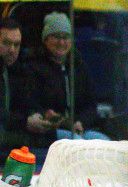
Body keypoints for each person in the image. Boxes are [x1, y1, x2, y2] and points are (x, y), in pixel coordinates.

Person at [17, 13, 109, 147]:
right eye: (56, 37)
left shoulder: (78, 66)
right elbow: (29, 104)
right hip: (51, 132)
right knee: (78, 145)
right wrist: (48, 116)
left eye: (66, 37)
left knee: (106, 144)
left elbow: (90, 105)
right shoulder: (33, 67)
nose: (61, 42)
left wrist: (81, 122)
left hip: (79, 129)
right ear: (46, 39)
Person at [0, 18, 26, 150]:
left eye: (16, 45)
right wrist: (26, 122)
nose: (12, 50)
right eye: (6, 43)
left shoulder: (16, 71)